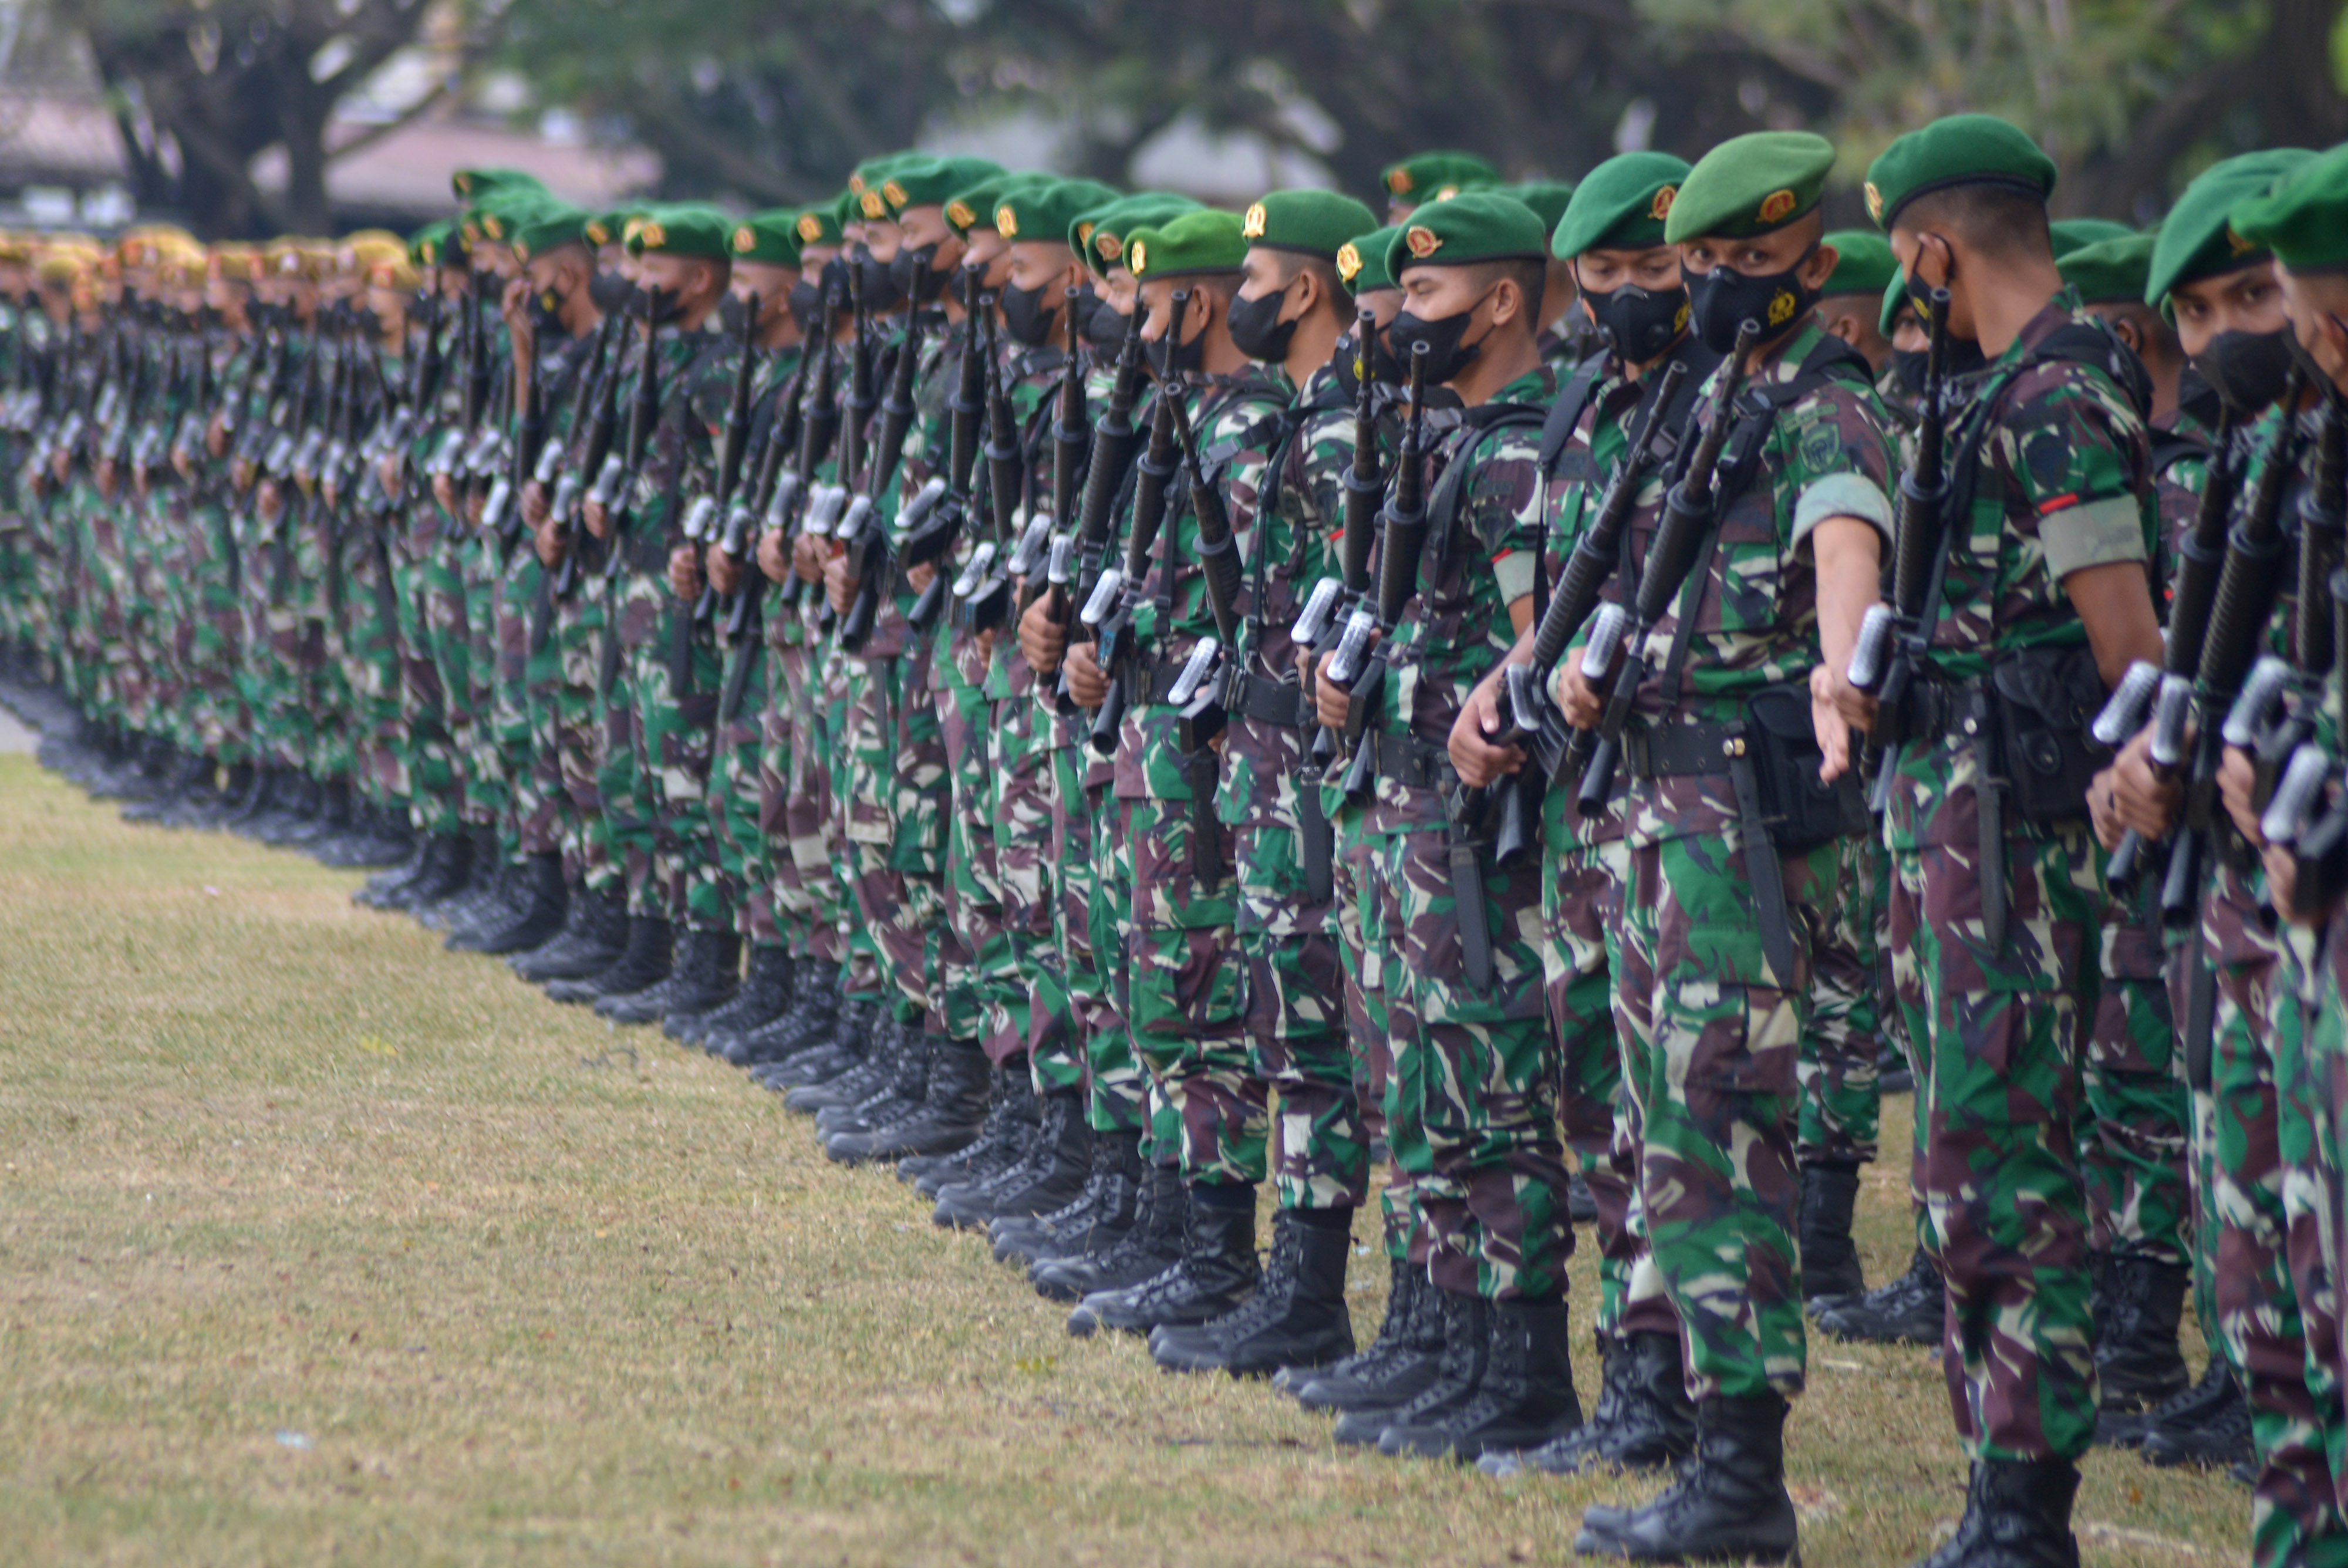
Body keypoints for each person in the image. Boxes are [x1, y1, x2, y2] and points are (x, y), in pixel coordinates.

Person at [1839, 113, 2170, 1562]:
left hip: (2013, 856)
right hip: (1959, 827)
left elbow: (2131, 655)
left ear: (1928, 249)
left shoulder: (2051, 396)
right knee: (1972, 1162)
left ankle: (2023, 1506)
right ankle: (1995, 1487)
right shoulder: (2005, 388)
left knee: (2004, 1170)